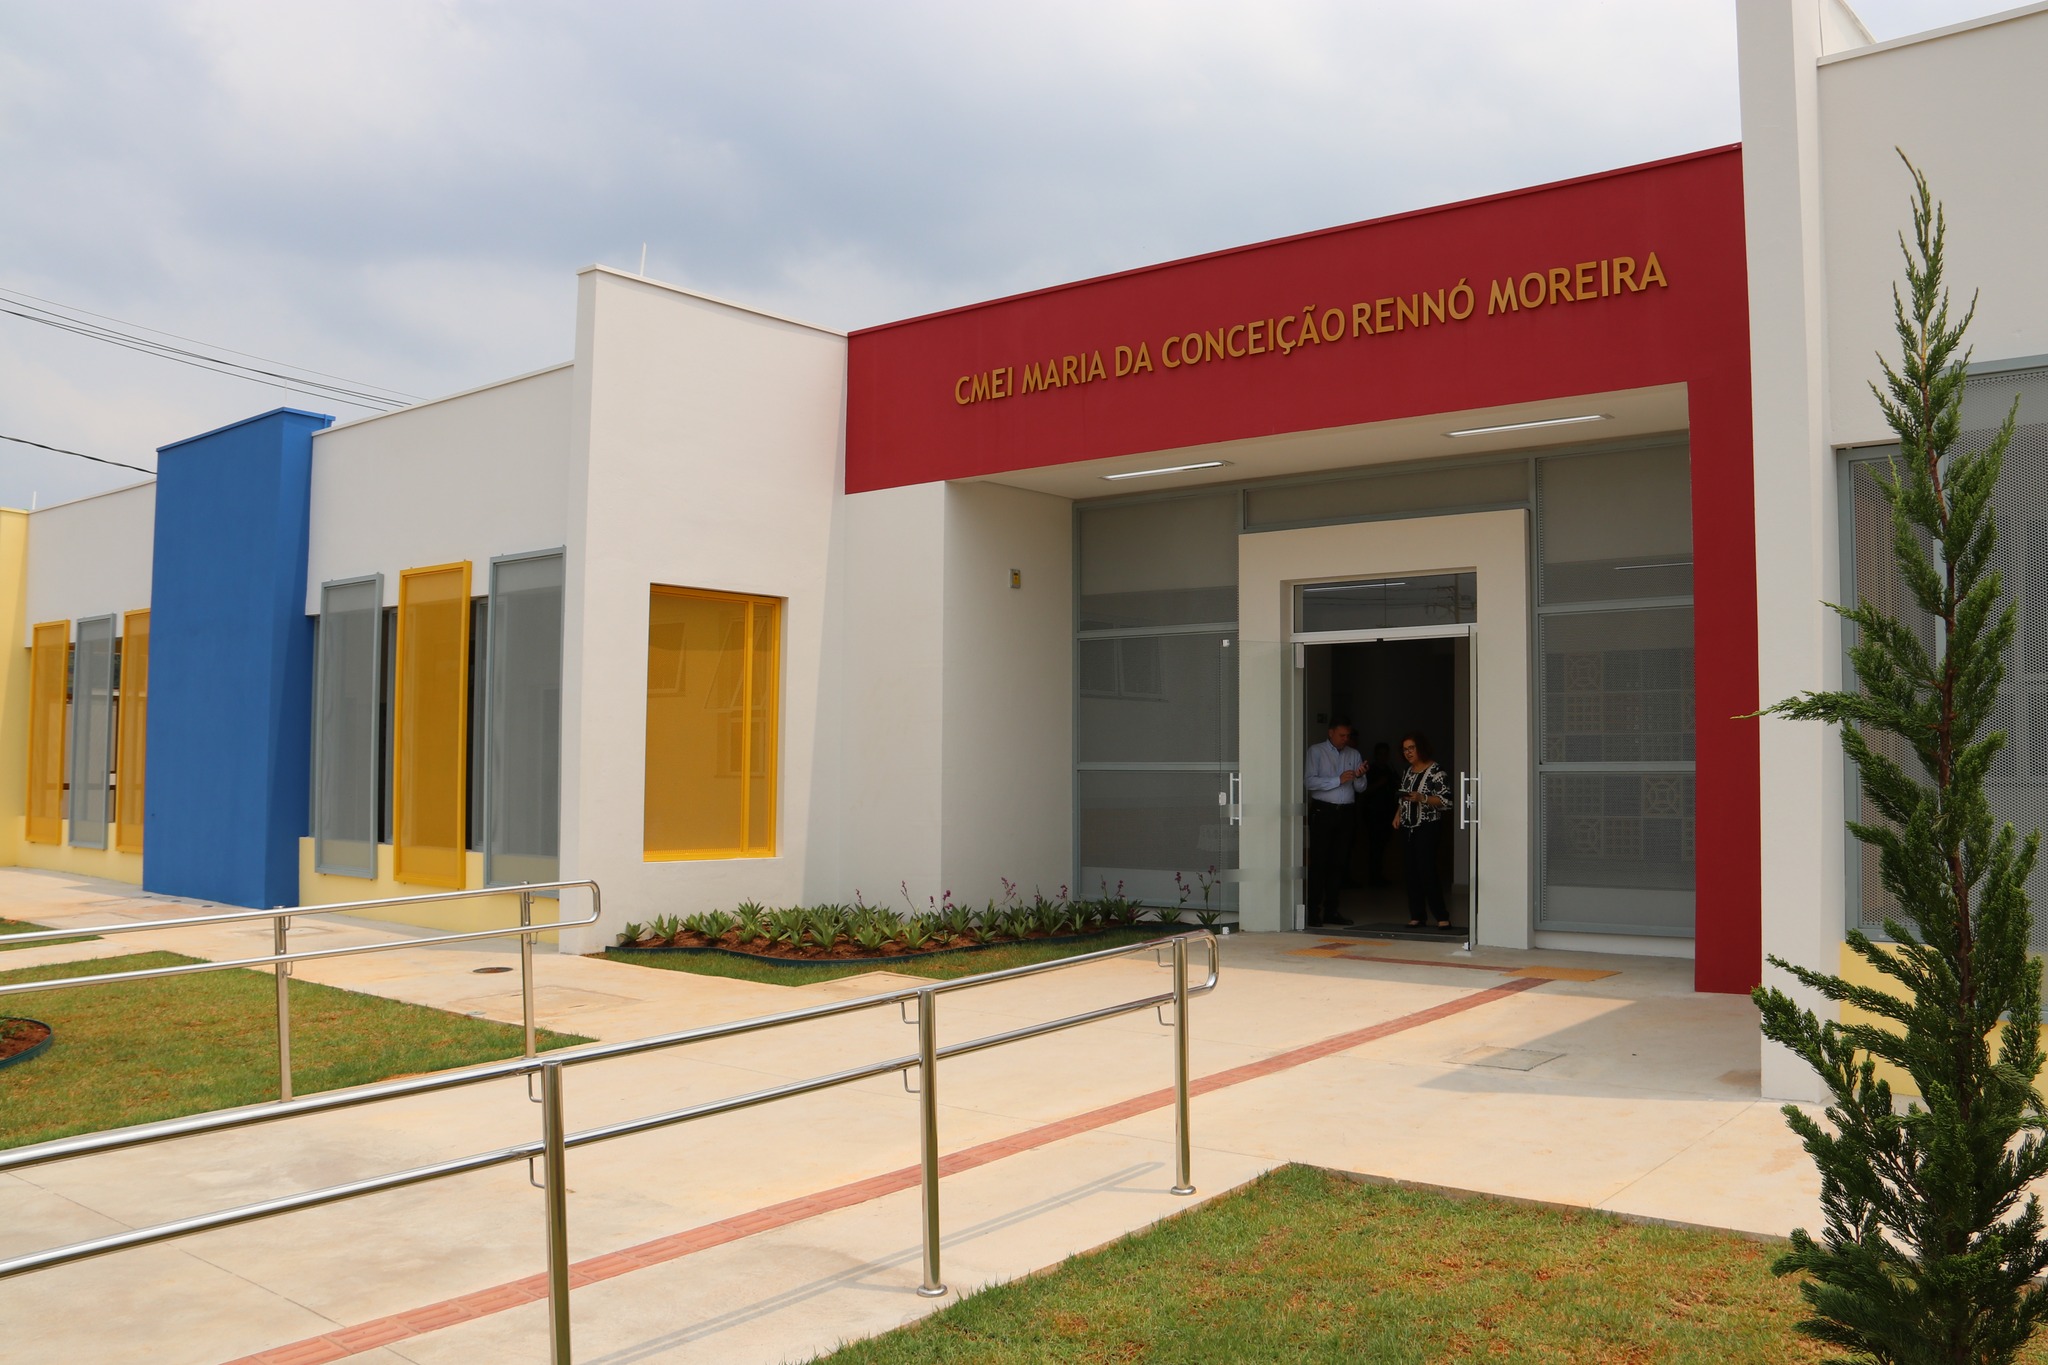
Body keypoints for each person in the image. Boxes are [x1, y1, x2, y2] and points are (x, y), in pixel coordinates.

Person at [1303, 720, 1368, 927]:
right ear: (1331, 733)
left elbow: (1361, 788)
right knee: (1319, 862)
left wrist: (1359, 777)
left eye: (1348, 736)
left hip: (1346, 812)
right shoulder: (1316, 751)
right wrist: (1337, 780)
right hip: (1323, 811)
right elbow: (1309, 782)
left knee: (1339, 863)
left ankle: (1332, 910)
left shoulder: (1354, 754)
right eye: (1342, 735)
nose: (1345, 739)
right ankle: (1313, 911)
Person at [1392, 732, 1452, 928]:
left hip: (1428, 826)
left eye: (1412, 748)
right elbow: (1404, 796)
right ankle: (1417, 915)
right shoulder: (1408, 771)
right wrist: (1398, 814)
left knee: (1427, 870)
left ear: (1421, 748)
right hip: (1408, 826)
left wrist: (1423, 798)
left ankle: (1442, 917)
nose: (1408, 753)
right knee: (1411, 871)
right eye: (1405, 749)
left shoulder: (1436, 771)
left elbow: (1446, 801)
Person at [1362, 741, 1397, 885]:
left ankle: (1378, 875)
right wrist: (1379, 784)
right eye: (1380, 754)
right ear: (1376, 755)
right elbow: (1364, 790)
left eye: (1385, 754)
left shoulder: (1390, 770)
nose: (1383, 757)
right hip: (1374, 813)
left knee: (1382, 846)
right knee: (1375, 846)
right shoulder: (1370, 771)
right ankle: (1374, 877)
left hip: (1388, 813)